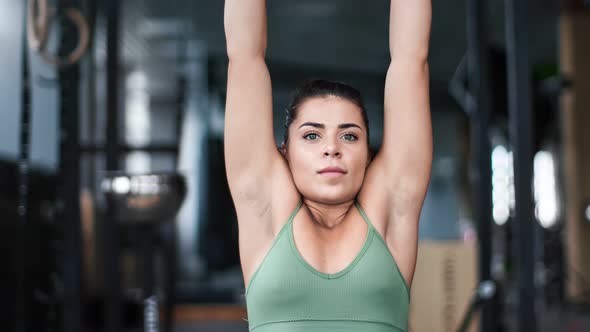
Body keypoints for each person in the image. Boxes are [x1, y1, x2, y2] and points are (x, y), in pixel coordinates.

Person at [224, 0, 432, 331]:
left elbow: (411, 60)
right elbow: (244, 56)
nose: (332, 149)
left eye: (349, 137)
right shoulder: (265, 210)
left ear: (368, 154)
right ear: (285, 151)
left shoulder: (390, 211)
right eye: (311, 136)